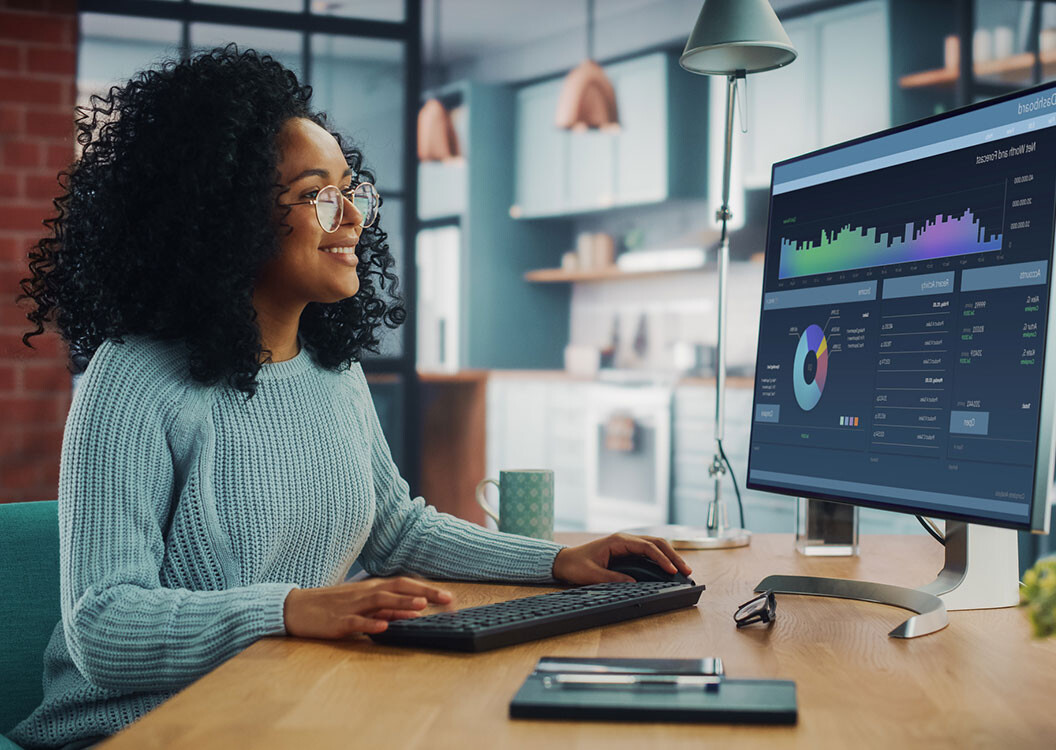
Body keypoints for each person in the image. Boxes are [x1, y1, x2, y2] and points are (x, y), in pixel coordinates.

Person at [10, 45, 690, 750]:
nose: (353, 218)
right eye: (318, 195)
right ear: (227, 215)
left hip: (279, 706)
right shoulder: (136, 379)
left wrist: (556, 561)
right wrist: (293, 609)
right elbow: (103, 626)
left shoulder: (331, 368)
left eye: (352, 189)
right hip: (134, 732)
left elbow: (396, 530)